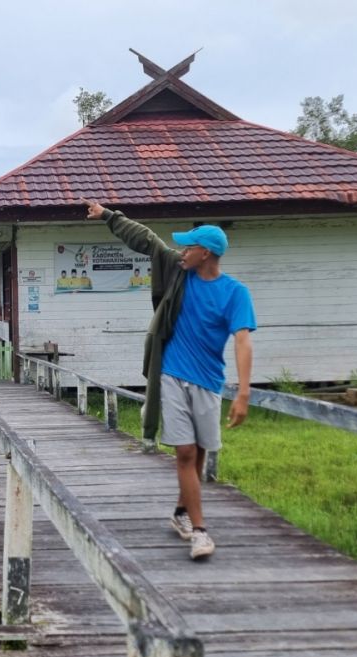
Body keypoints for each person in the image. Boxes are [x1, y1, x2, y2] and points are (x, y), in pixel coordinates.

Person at [83, 199, 256, 560]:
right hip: (172, 374)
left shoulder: (235, 293)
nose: (182, 252)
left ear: (205, 253)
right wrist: (108, 216)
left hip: (209, 381)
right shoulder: (177, 273)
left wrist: (243, 392)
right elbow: (145, 239)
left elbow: (243, 340)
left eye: (189, 247)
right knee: (185, 452)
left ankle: (181, 511)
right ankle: (200, 532)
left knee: (201, 451)